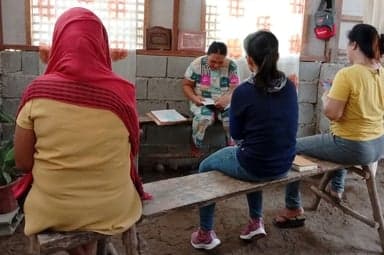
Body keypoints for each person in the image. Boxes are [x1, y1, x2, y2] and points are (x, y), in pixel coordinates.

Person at [13, 7, 146, 255]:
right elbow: (133, 147)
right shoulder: (122, 94)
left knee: (61, 203)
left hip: (53, 209)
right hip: (113, 206)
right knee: (91, 213)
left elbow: (22, 162)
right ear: (101, 45)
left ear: (58, 42)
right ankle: (89, 249)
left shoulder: (37, 93)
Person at [190, 31, 298, 250]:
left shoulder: (243, 91)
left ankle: (204, 234)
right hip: (285, 163)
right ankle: (255, 222)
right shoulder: (289, 87)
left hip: (255, 164)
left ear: (249, 60)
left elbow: (237, 135)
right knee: (254, 154)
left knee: (205, 165)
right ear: (276, 55)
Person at [274, 23, 384, 228]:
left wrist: (327, 96)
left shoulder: (348, 74)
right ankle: (337, 188)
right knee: (335, 137)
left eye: (348, 44)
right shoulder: (381, 73)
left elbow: (333, 114)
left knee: (292, 146)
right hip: (378, 146)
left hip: (355, 147)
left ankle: (293, 208)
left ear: (354, 45)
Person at [182, 42, 240, 156]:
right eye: (213, 61)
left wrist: (227, 99)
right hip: (202, 102)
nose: (217, 65)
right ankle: (195, 144)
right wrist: (194, 98)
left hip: (225, 103)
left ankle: (232, 147)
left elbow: (235, 88)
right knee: (203, 118)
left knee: (232, 118)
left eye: (220, 62)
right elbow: (186, 85)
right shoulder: (197, 64)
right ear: (207, 55)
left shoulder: (232, 66)